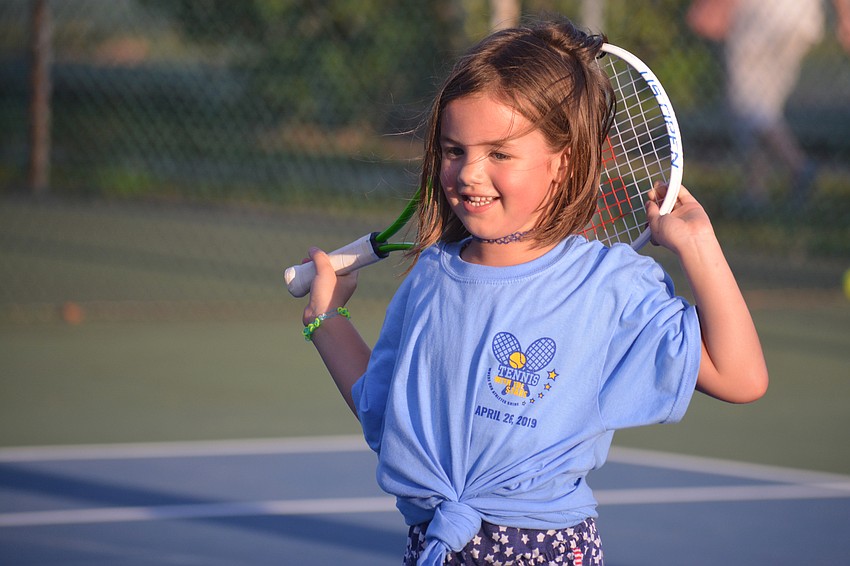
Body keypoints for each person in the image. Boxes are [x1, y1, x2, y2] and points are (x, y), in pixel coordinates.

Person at [298, 16, 768, 566]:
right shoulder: (429, 278)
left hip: (544, 548)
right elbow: (386, 416)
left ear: (561, 162)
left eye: (499, 153)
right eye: (454, 151)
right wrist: (326, 318)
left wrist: (698, 244)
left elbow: (741, 377)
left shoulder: (606, 287)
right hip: (432, 544)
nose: (470, 173)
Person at [687, 0, 850, 211]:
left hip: (759, 21)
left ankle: (799, 167)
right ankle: (755, 190)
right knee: (766, 105)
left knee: (746, 106)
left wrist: (717, 6)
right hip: (800, 18)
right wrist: (845, 14)